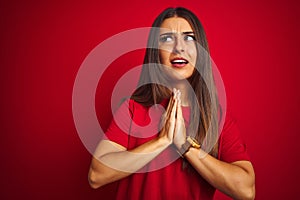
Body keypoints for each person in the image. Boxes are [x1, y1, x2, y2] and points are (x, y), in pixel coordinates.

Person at [88, 7, 255, 200]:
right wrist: (162, 141)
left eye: (189, 38)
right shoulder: (132, 110)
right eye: (167, 39)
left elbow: (246, 191)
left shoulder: (218, 119)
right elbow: (96, 175)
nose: (179, 48)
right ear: (155, 52)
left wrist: (185, 146)